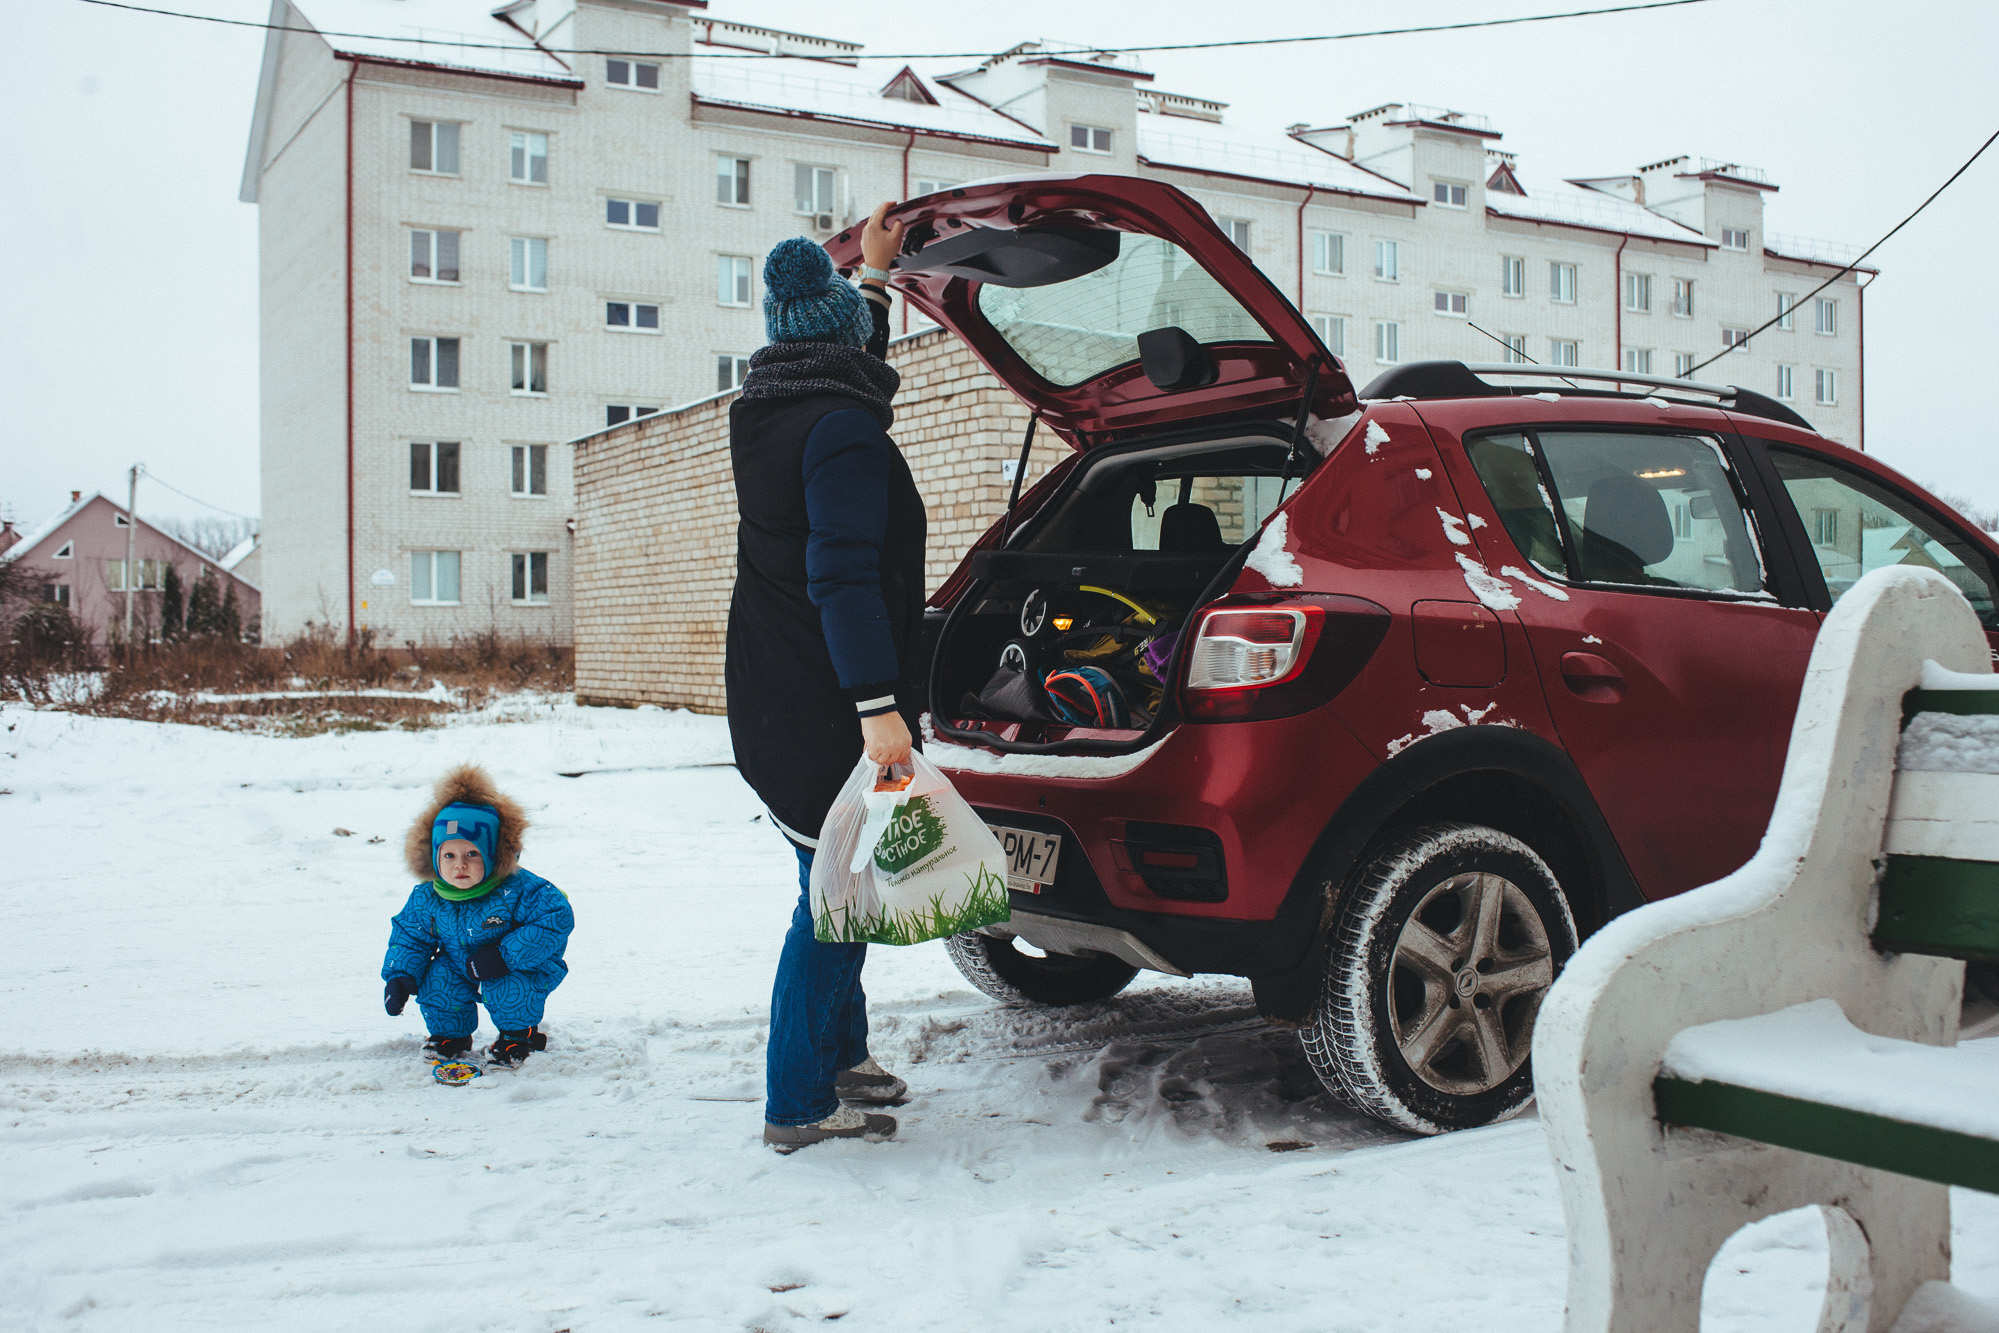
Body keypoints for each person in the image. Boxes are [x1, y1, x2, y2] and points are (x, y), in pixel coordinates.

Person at [727, 202, 922, 1151]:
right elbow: (841, 575)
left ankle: (840, 1052)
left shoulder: (767, 408)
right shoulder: (842, 429)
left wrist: (874, 279)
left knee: (842, 884)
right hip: (825, 705)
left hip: (772, 693)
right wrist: (878, 709)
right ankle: (799, 1101)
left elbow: (847, 356)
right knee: (832, 900)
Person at [381, 764, 575, 1069]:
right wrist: (400, 976)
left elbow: (555, 919)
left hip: (516, 963)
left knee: (508, 988)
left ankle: (517, 1035)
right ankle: (451, 1036)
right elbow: (410, 935)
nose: (460, 865)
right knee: (439, 979)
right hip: (461, 962)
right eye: (450, 855)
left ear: (493, 855)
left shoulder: (517, 889)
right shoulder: (429, 896)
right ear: (434, 856)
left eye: (472, 854)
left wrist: (504, 955)